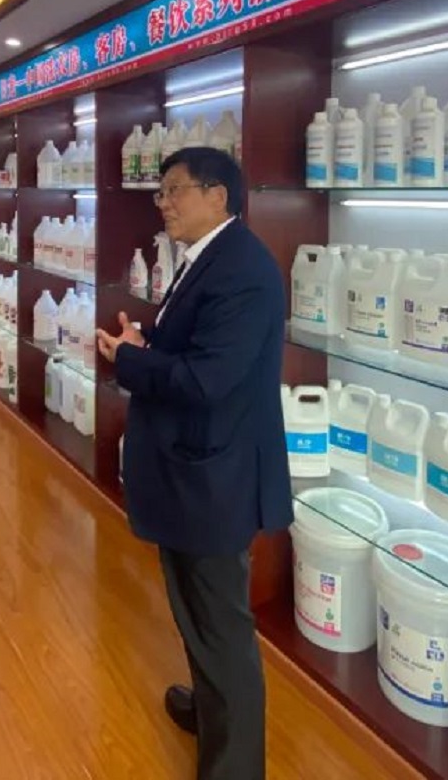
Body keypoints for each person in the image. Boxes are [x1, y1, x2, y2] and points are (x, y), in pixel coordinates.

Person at [96, 147, 291, 780]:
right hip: (194, 467)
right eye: (161, 192)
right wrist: (147, 343)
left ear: (218, 195)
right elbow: (196, 349)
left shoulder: (244, 271)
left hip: (217, 476)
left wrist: (131, 360)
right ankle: (210, 711)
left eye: (174, 190)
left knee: (221, 626)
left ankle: (235, 766)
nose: (163, 203)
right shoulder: (207, 256)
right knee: (195, 614)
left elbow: (208, 379)